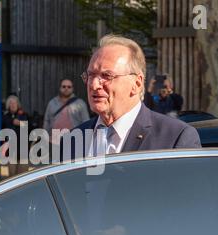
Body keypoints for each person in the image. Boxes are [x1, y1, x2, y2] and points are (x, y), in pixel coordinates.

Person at [63, 34, 200, 161]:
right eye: (91, 75)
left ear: (137, 83)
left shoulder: (175, 137)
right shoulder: (73, 139)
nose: (93, 85)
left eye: (107, 76)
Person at [2, 95, 29, 177]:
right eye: (11, 103)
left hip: (23, 150)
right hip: (11, 151)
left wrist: (20, 123)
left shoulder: (24, 115)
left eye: (15, 103)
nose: (13, 105)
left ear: (18, 104)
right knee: (12, 176)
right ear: (8, 105)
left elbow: (31, 127)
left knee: (23, 175)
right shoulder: (5, 116)